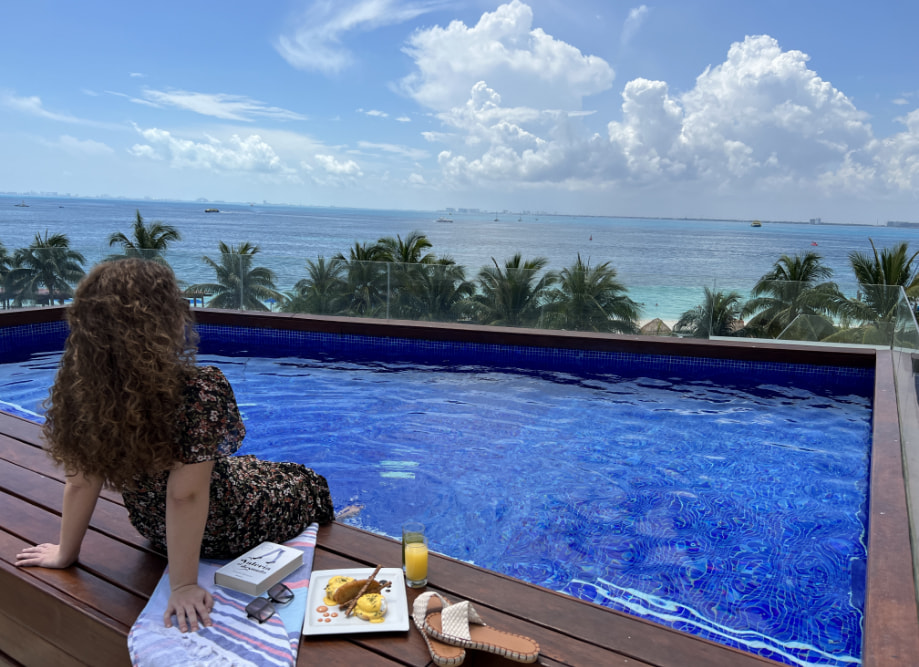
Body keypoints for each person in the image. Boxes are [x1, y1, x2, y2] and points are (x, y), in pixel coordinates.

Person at [15, 259, 334, 632]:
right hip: (225, 525)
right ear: (164, 320)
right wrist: (182, 585)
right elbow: (185, 497)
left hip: (154, 529)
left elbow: (82, 480)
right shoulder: (198, 390)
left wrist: (65, 553)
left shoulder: (84, 389)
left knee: (251, 467)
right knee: (307, 481)